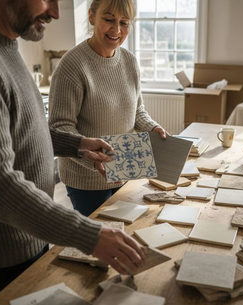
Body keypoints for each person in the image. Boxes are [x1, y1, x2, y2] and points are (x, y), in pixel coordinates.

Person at [0, 0, 145, 302]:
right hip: (1, 244)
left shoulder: (2, 45)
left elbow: (22, 130)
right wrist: (88, 235)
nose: (55, 12)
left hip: (28, 228)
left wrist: (77, 145)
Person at [48, 0, 168, 217]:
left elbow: (138, 110)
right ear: (92, 16)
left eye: (124, 22)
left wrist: (153, 128)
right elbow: (60, 127)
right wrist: (90, 156)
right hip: (87, 180)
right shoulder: (72, 66)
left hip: (125, 170)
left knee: (126, 232)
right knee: (100, 241)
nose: (117, 30)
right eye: (109, 19)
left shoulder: (130, 61)